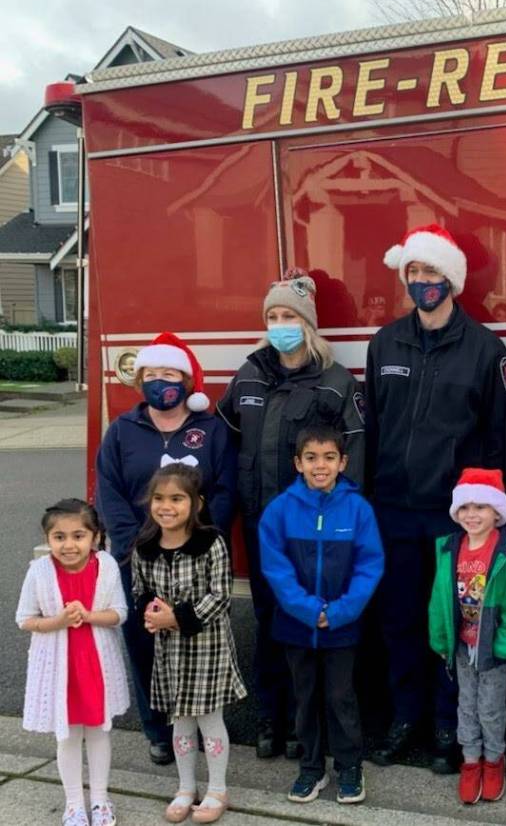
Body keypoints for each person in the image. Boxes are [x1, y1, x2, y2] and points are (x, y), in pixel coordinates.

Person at [366, 224, 506, 773]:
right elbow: (372, 429)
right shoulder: (385, 344)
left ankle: (450, 726)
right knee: (400, 621)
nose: (422, 281)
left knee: (454, 624)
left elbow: (496, 440)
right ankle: (406, 719)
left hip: (456, 520)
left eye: (431, 271)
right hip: (393, 512)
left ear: (450, 278)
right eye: (414, 272)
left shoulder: (485, 349)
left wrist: (489, 516)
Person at [217, 271, 365, 759]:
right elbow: (223, 441)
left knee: (309, 625)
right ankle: (270, 718)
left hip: (312, 534)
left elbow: (353, 463)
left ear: (308, 324)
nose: (281, 325)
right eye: (274, 317)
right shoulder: (249, 375)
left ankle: (308, 726)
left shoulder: (335, 383)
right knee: (268, 622)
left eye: (290, 317)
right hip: (261, 526)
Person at [95, 331, 236, 766]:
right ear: (141, 381)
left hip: (196, 559)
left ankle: (199, 726)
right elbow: (108, 491)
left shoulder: (211, 430)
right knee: (145, 642)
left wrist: (202, 539)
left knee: (198, 642)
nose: (161, 382)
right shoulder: (122, 431)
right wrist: (134, 545)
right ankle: (158, 730)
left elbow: (226, 489)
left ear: (187, 381)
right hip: (140, 559)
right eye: (152, 374)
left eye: (170, 374)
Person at [259, 427, 384, 807]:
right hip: (297, 626)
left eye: (329, 457)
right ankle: (311, 768)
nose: (320, 465)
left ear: (343, 462)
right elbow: (276, 569)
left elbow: (369, 565)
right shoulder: (279, 510)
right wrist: (310, 610)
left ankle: (349, 766)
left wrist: (340, 611)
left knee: (341, 697)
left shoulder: (358, 509)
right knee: (304, 698)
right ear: (298, 463)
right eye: (311, 458)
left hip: (341, 626)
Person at [131, 464, 247, 824]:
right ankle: (185, 787)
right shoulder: (144, 547)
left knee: (209, 720)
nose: (166, 506)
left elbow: (220, 595)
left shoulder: (210, 543)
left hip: (207, 649)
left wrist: (177, 618)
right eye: (159, 498)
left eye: (177, 498)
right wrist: (151, 612)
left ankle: (218, 789)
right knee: (180, 720)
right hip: (170, 652)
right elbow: (140, 591)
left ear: (196, 503)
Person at [17, 499, 130, 826]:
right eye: (59, 537)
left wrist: (89, 615)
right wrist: (59, 621)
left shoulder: (105, 566)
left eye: (78, 536)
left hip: (94, 666)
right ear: (47, 538)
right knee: (66, 736)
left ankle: (100, 800)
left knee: (98, 733)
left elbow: (119, 613)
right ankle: (74, 805)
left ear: (95, 537)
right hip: (60, 670)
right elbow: (25, 619)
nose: (69, 545)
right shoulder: (39, 571)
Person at [427, 468, 506, 804]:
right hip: (462, 645)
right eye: (465, 507)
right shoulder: (449, 548)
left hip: (493, 649)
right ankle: (470, 760)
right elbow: (439, 598)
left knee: (489, 708)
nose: (472, 515)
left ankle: (493, 760)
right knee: (466, 706)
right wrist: (441, 639)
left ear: (497, 512)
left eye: (481, 507)